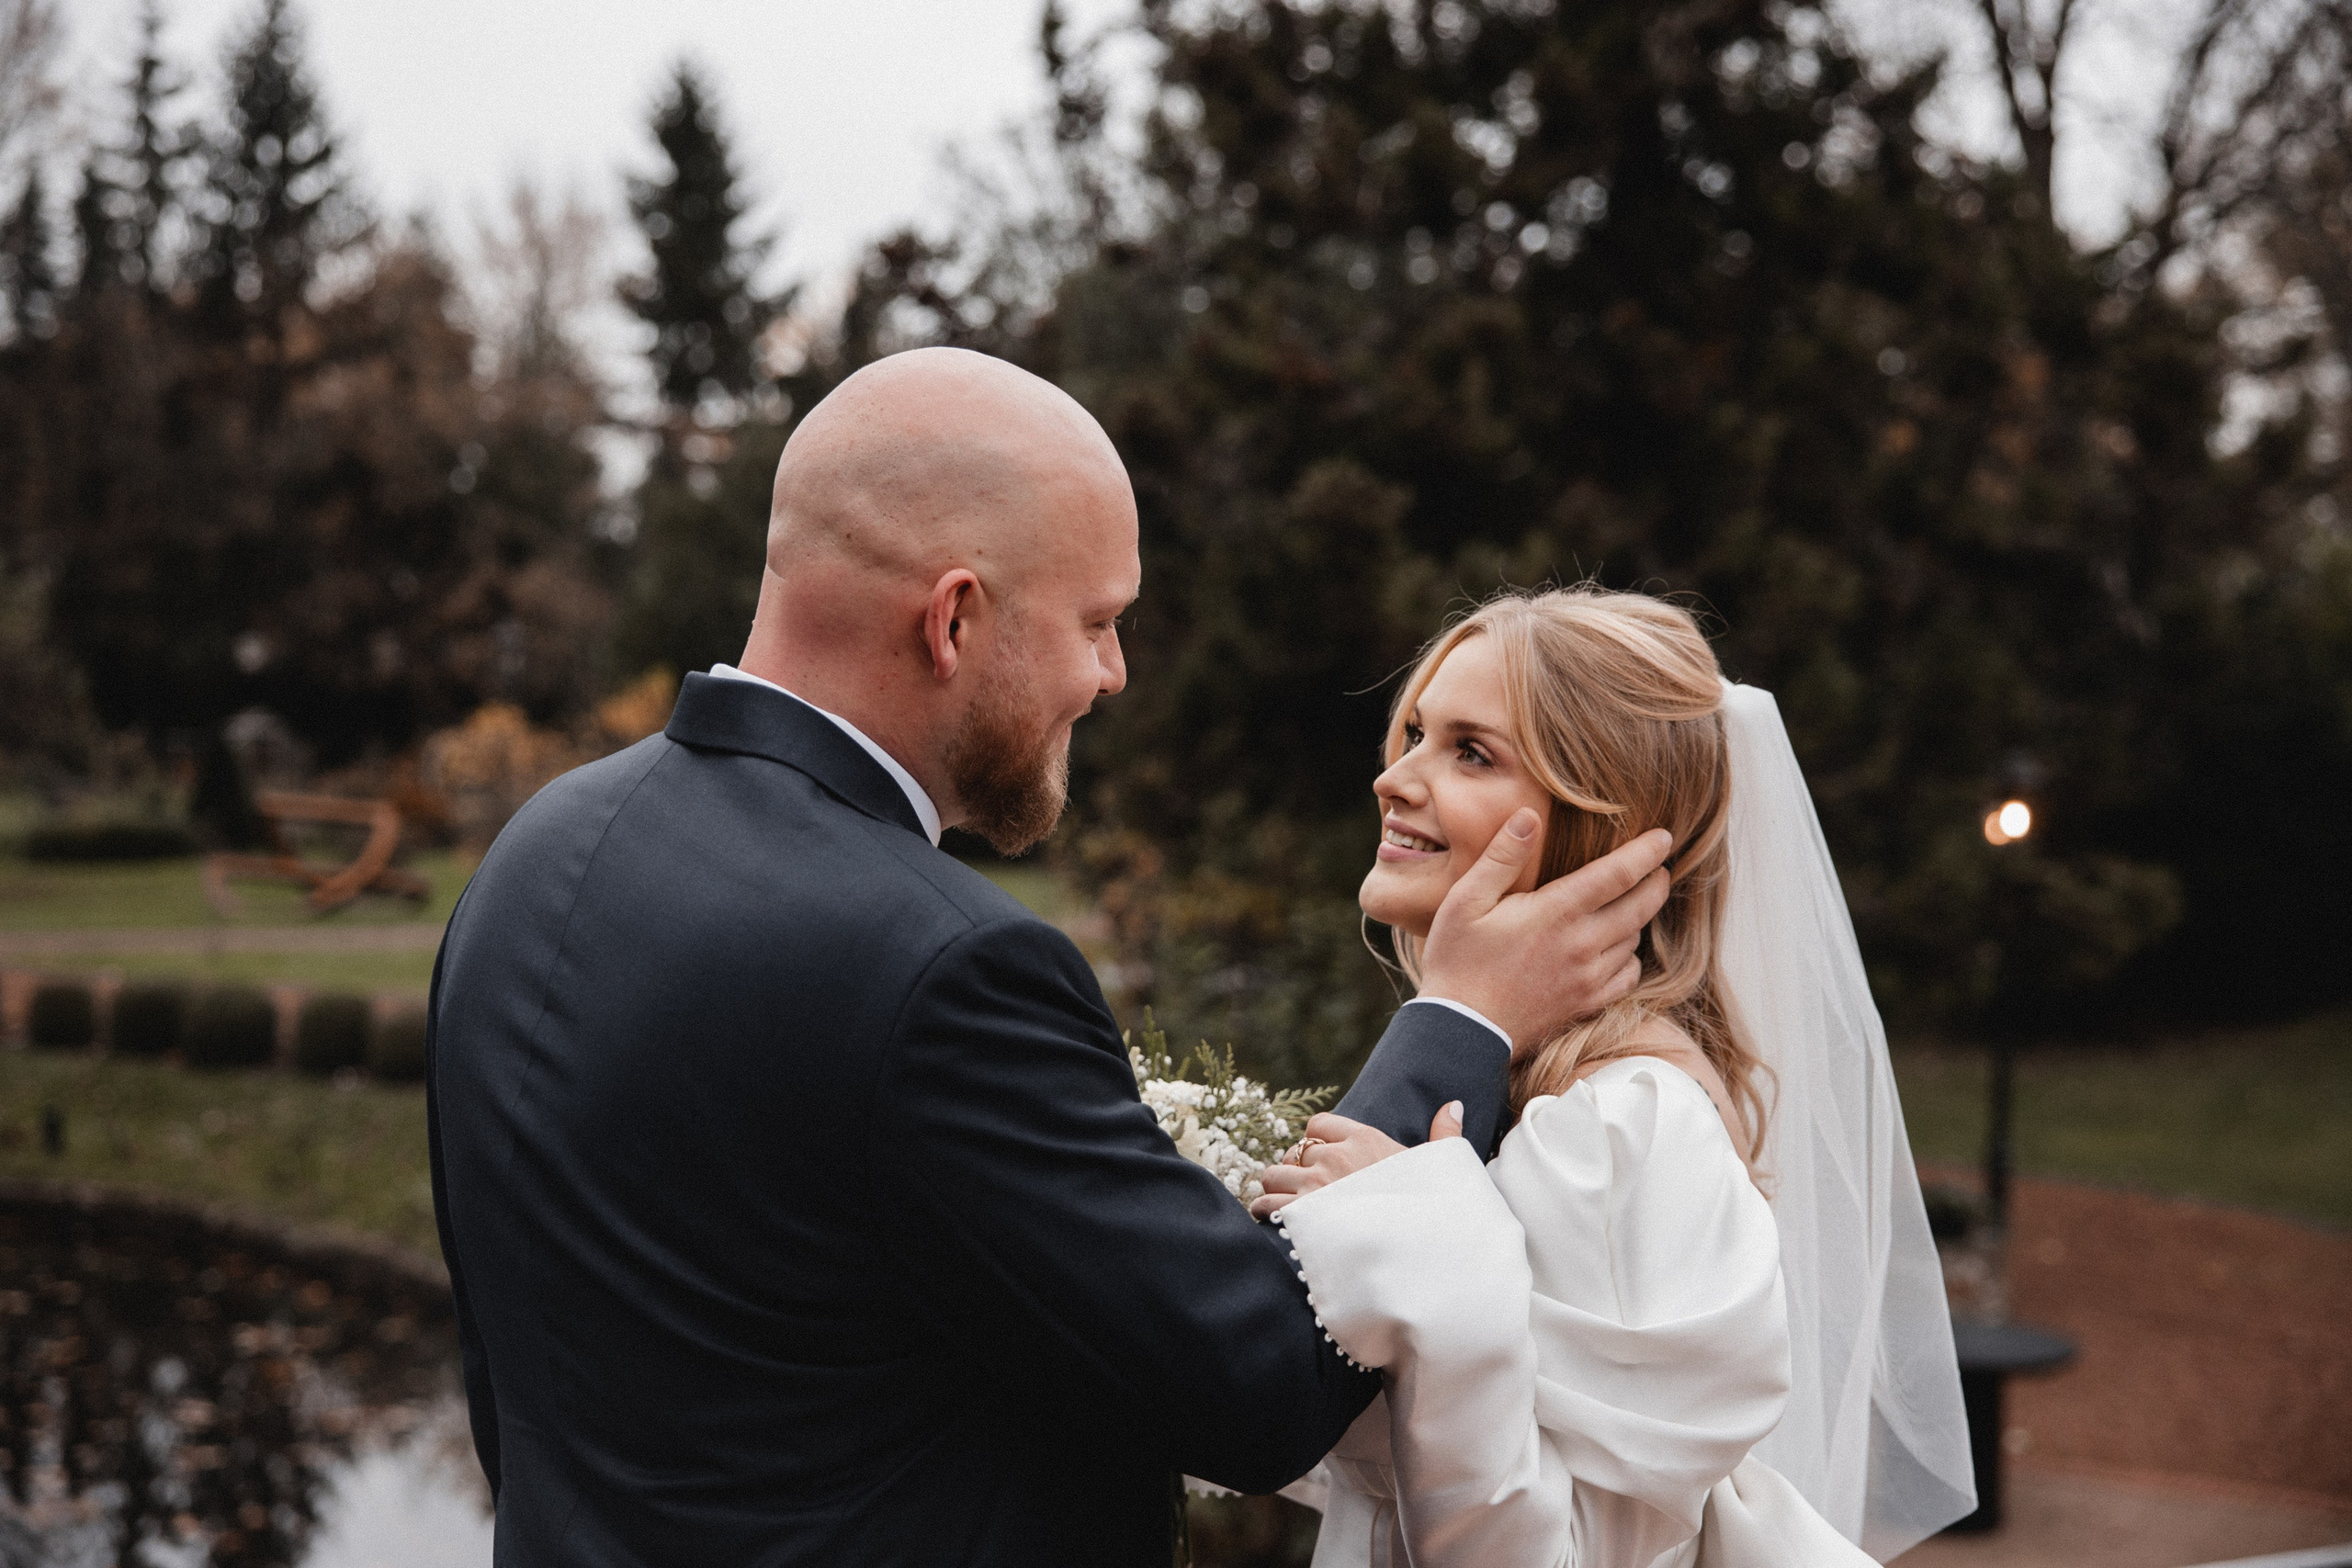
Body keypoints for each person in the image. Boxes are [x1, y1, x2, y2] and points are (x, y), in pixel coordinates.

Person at [424, 349, 1678, 1565]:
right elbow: (1259, 1379)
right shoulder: (940, 969)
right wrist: (1459, 1015)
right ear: (956, 617)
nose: (1112, 674)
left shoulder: (538, 853)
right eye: (1098, 622)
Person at [1251, 588, 1977, 1565]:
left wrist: (1413, 1242)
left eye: (1471, 752)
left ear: (1606, 831)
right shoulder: (1522, 1082)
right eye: (1416, 733)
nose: (1395, 778)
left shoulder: (1620, 1128)